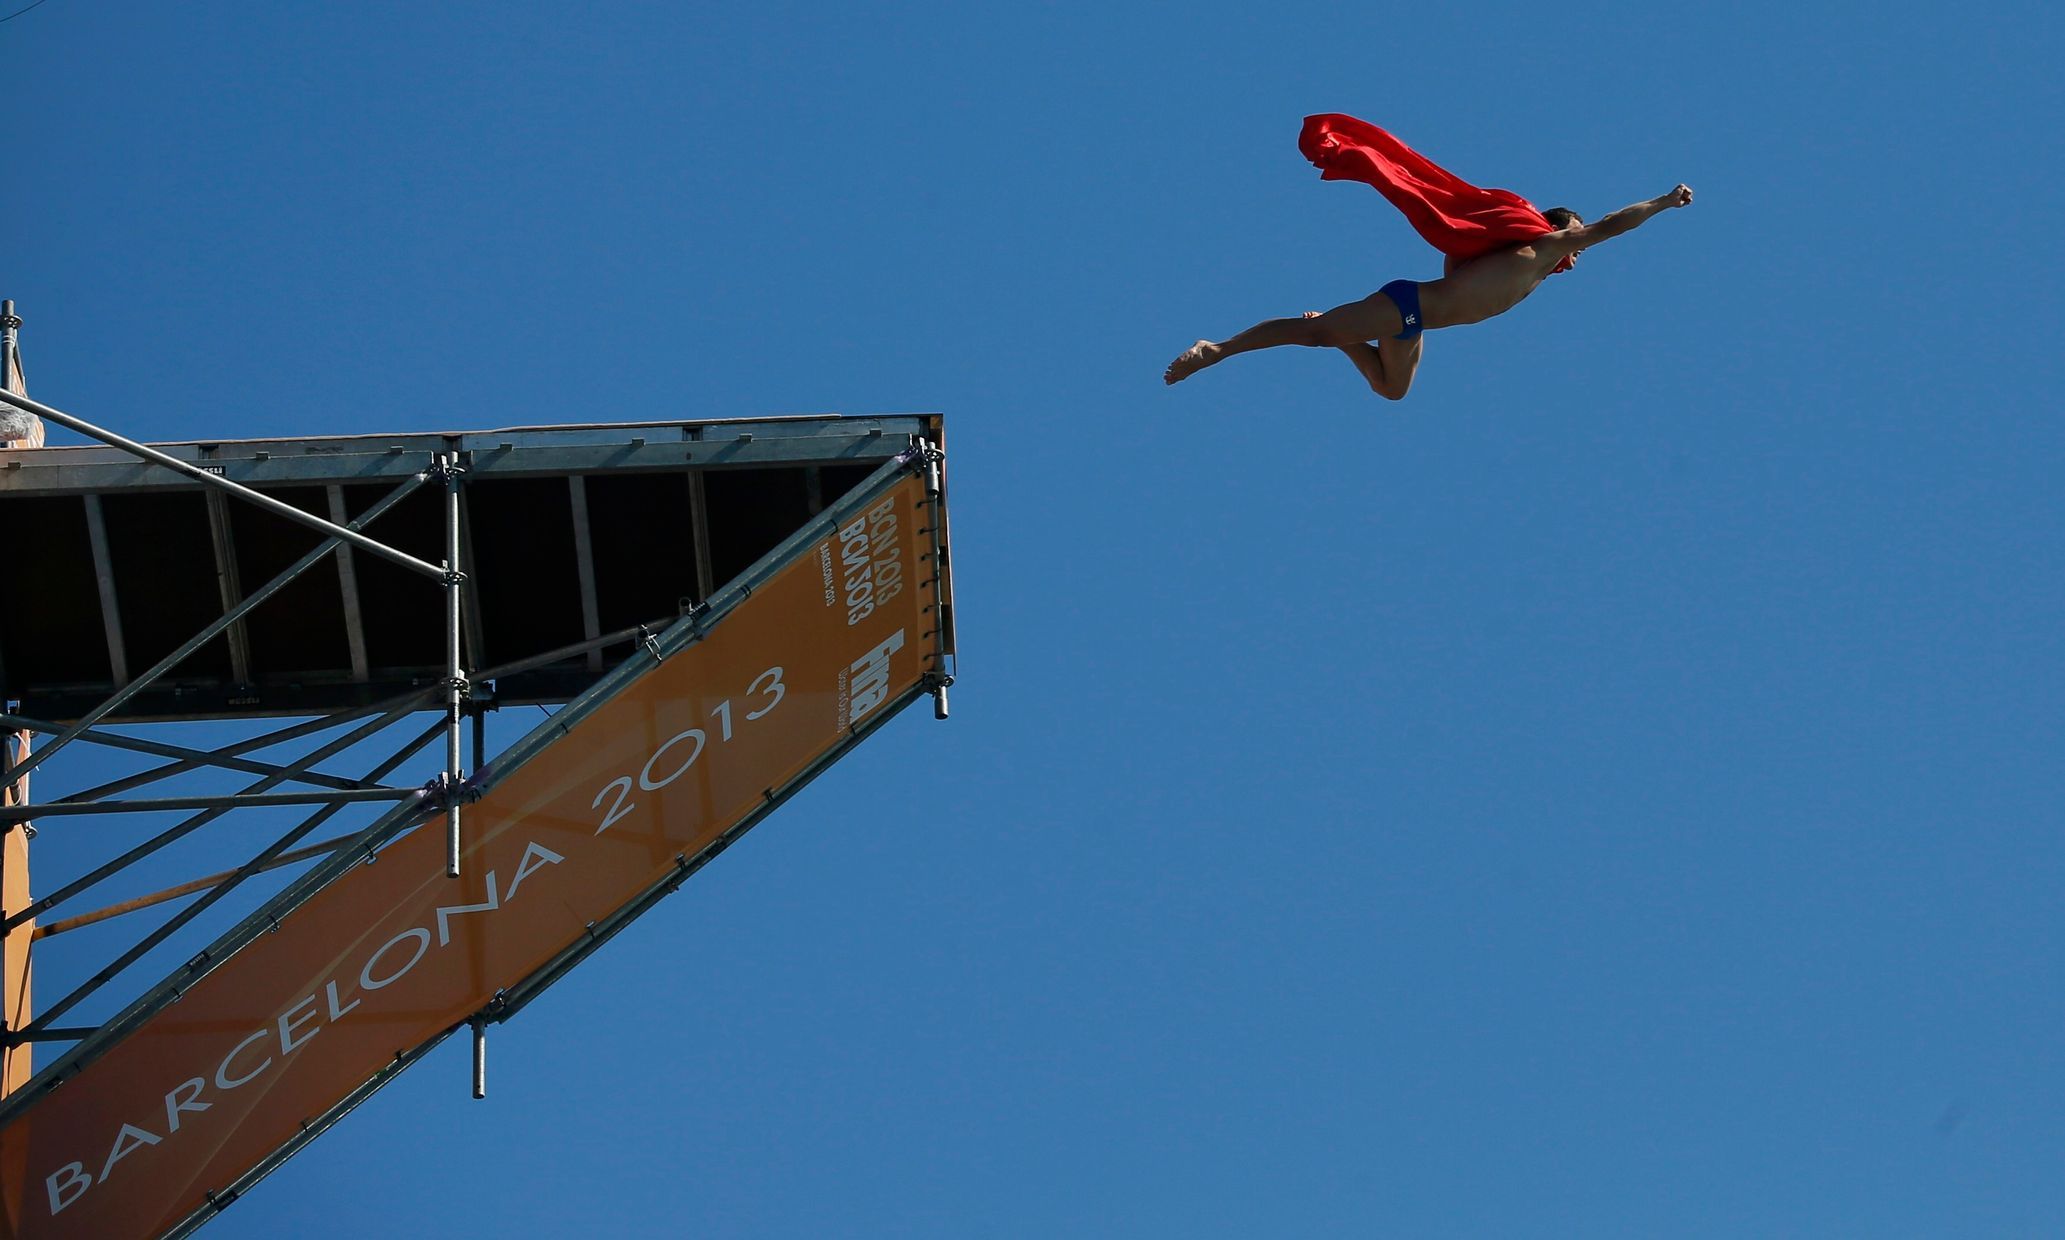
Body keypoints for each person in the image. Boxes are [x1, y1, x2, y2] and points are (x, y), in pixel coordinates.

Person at [1162, 116, 1692, 399]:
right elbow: (1613, 225)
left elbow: (1458, 264)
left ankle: (1345, 340)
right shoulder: (1544, 246)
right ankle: (1217, 349)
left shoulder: (1517, 264)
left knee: (1392, 391)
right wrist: (1665, 203)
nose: (1578, 256)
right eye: (1575, 239)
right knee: (1318, 333)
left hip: (1411, 325)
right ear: (1558, 230)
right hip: (1409, 306)